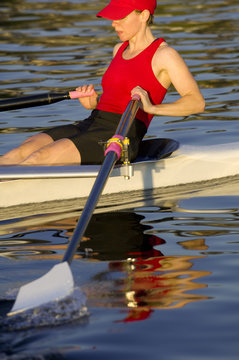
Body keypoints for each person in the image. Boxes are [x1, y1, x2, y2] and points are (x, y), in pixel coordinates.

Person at [0, 0, 205, 166]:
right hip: (93, 122)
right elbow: (116, 99)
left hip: (122, 135)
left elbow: (196, 103)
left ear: (143, 15)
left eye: (120, 17)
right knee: (24, 150)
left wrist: (152, 107)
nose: (113, 23)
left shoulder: (164, 55)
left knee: (39, 159)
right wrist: (93, 104)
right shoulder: (118, 50)